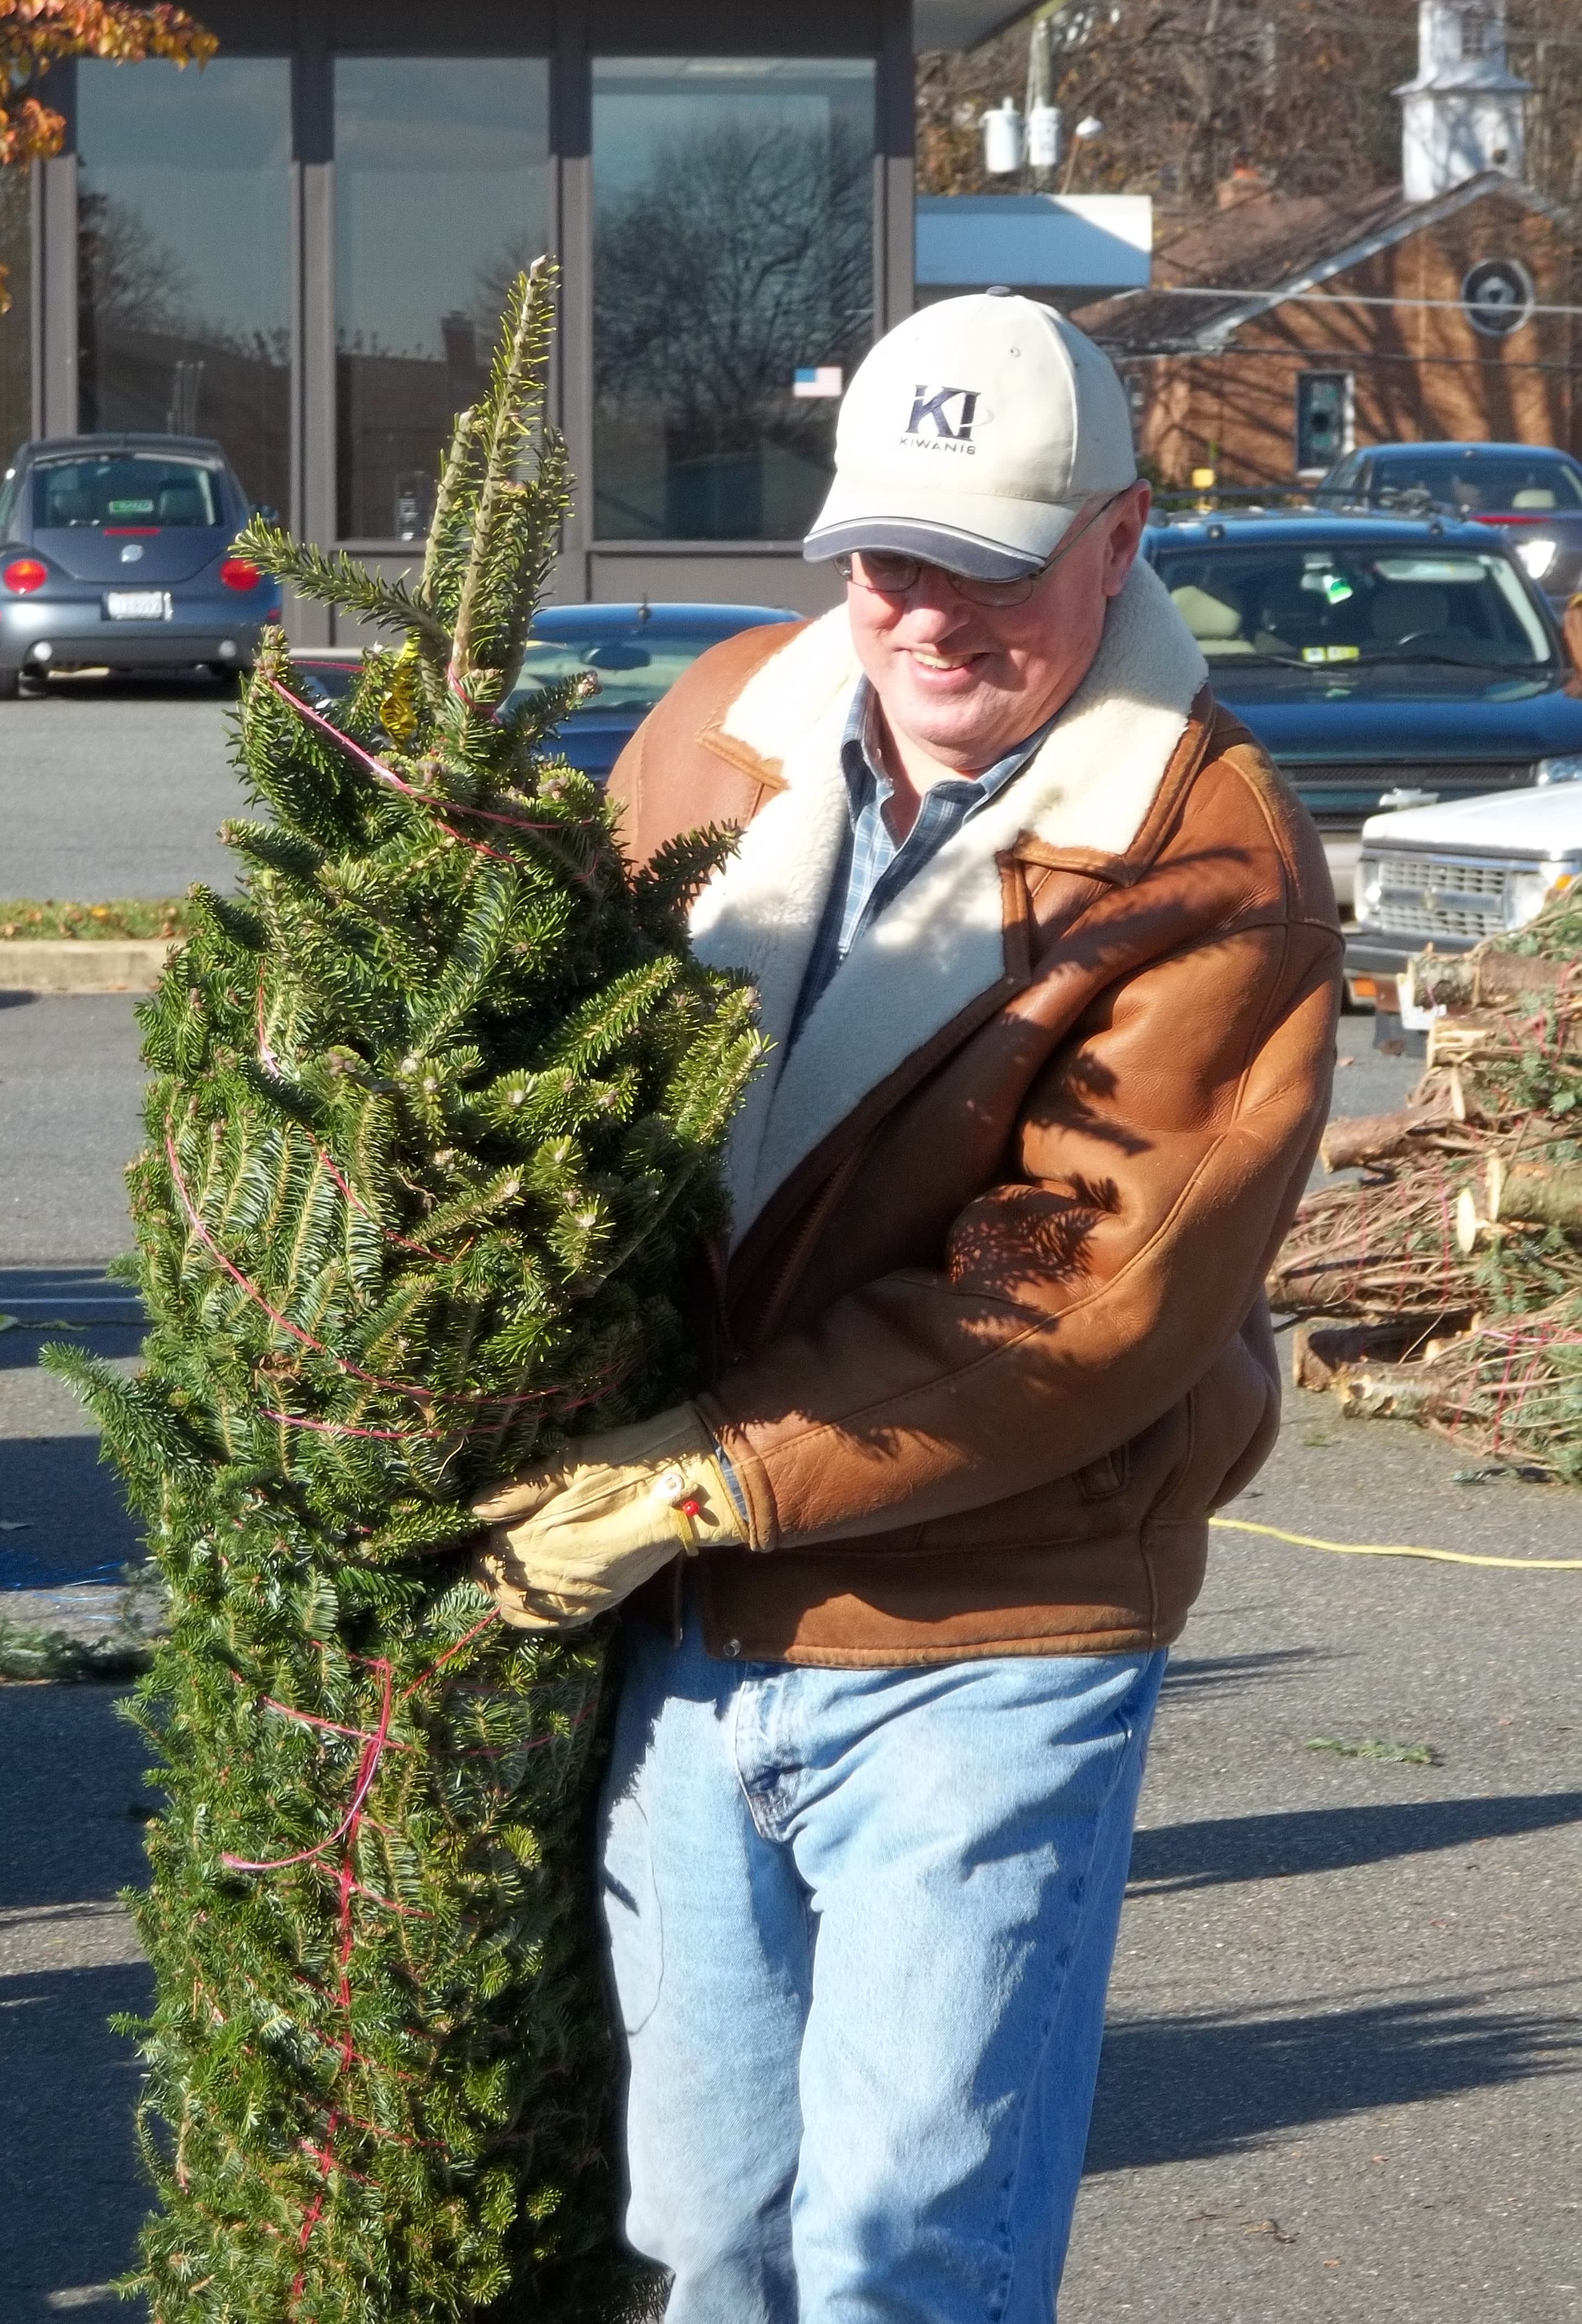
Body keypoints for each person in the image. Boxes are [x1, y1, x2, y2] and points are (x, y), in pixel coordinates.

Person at [472, 292, 1342, 2323]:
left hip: (987, 1639)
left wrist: (705, 1476)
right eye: (889, 562)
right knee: (708, 2242)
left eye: (993, 567)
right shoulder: (728, 727)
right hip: (694, 1638)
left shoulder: (1206, 869)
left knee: (904, 2261)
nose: (928, 618)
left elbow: (1074, 1294)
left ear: (1119, 545)